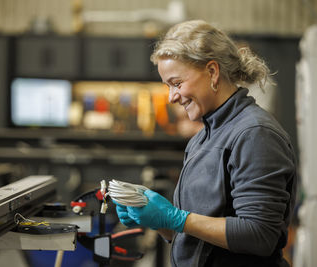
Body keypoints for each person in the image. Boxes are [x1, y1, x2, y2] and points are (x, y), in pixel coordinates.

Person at [114, 20, 297, 267]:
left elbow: (260, 234)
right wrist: (157, 220)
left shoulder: (255, 134)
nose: (171, 97)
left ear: (212, 72)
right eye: (168, 86)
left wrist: (175, 218)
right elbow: (193, 236)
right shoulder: (202, 138)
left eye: (177, 83)